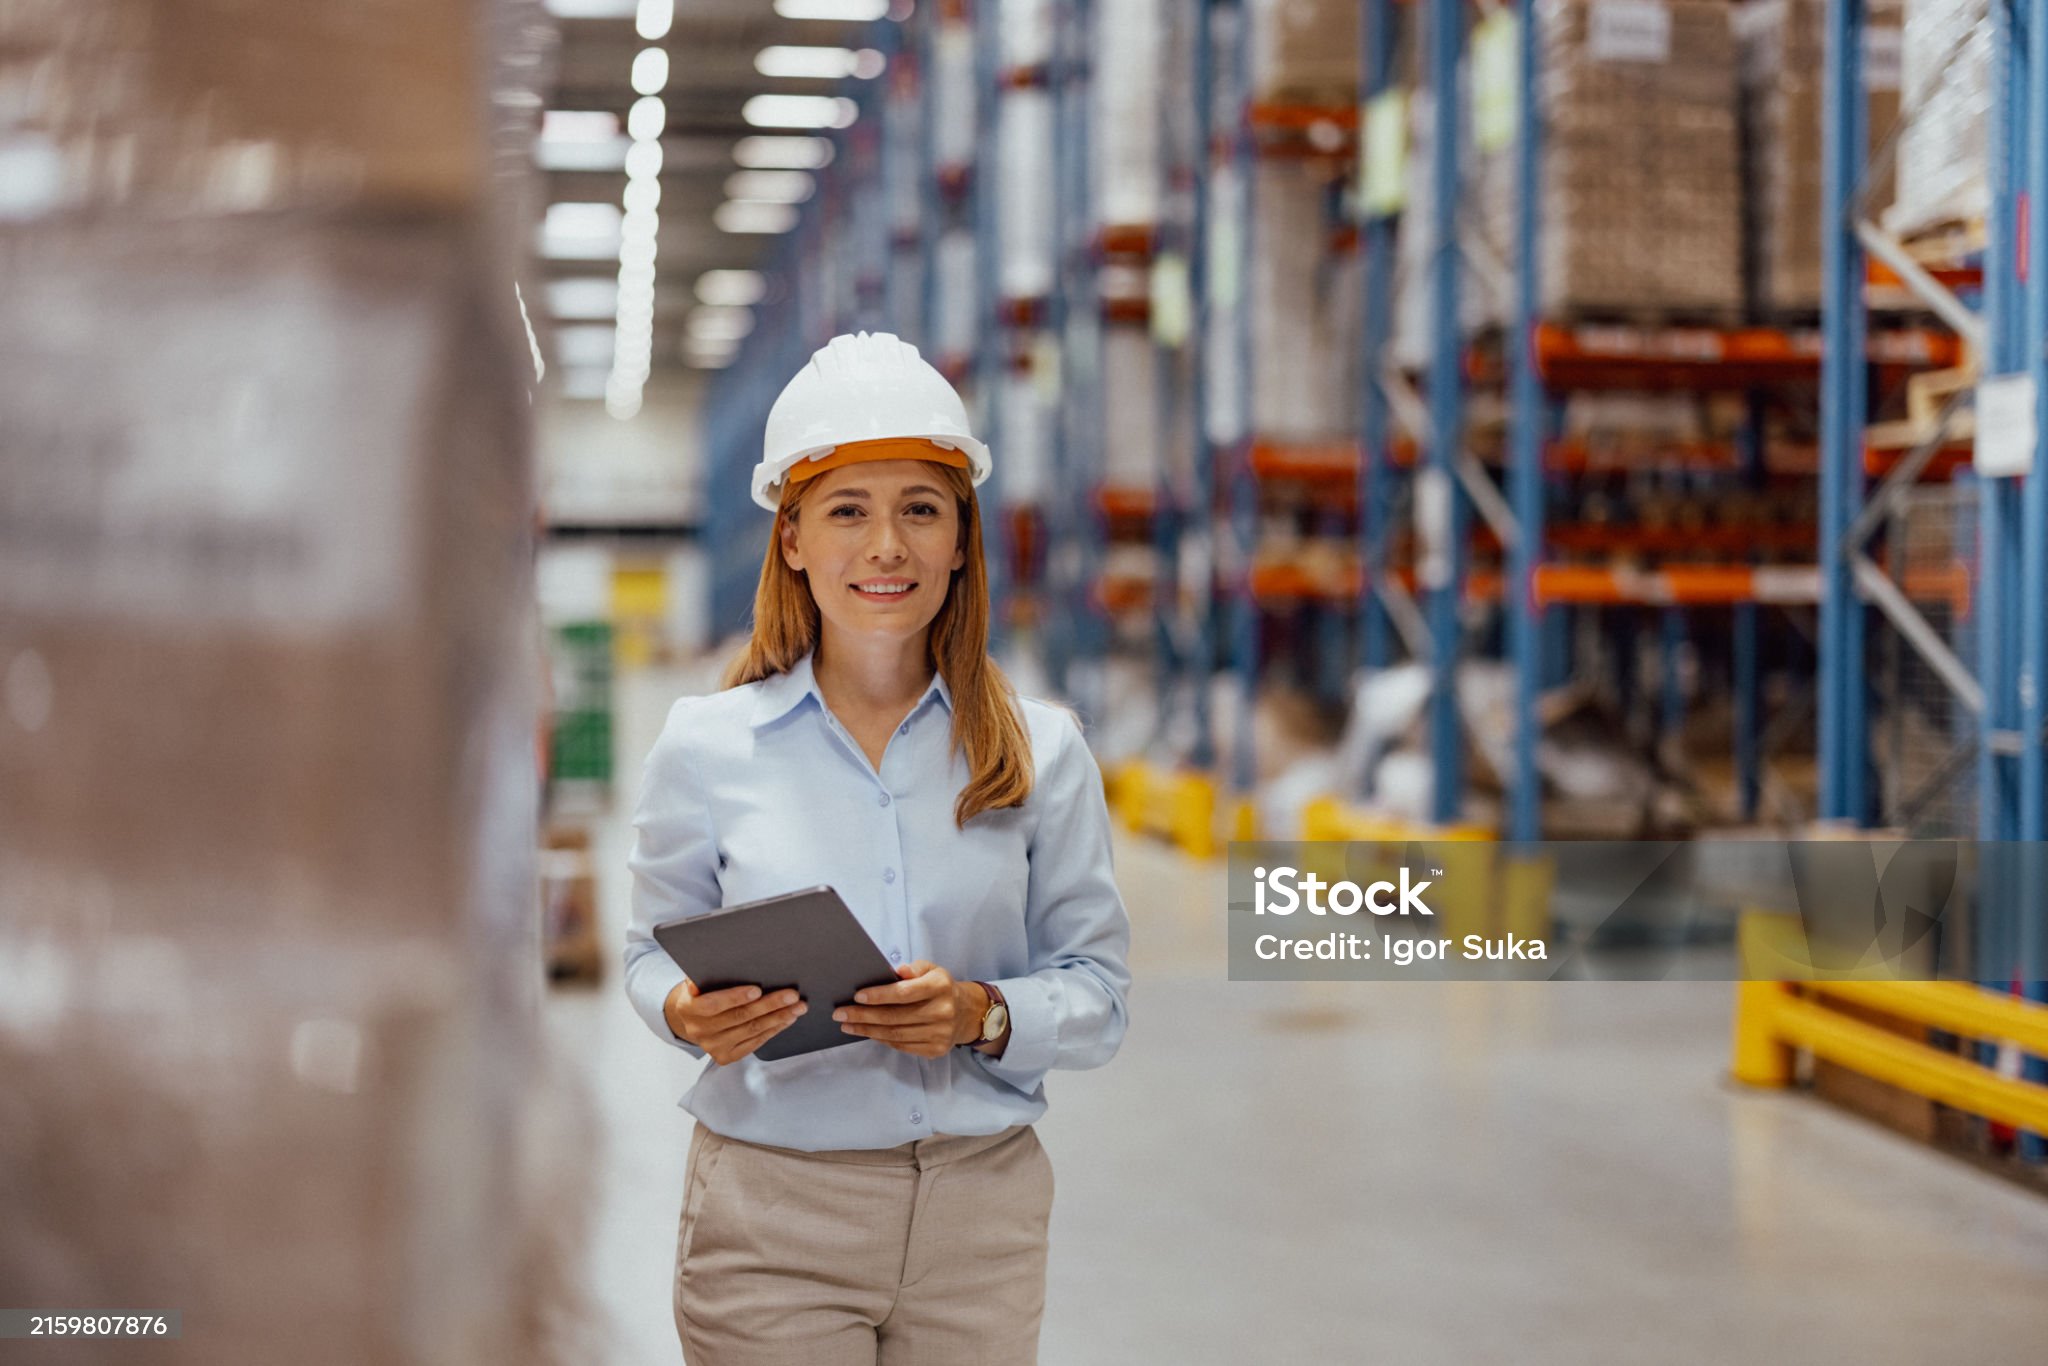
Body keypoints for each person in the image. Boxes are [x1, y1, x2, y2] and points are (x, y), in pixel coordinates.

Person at [623, 331, 1133, 1365]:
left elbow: (1099, 994)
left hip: (977, 1222)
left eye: (920, 509)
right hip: (772, 1217)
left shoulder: (1041, 751)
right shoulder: (707, 747)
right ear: (794, 541)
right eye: (847, 510)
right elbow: (645, 957)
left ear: (959, 543)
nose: (887, 546)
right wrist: (685, 1011)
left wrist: (981, 1013)